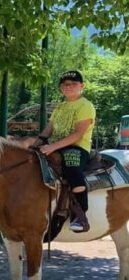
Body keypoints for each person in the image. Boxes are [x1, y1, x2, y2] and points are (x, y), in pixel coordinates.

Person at [36, 70, 96, 232]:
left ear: (82, 86)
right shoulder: (60, 107)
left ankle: (80, 215)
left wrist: (52, 147)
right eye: (64, 84)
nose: (68, 87)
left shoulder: (86, 105)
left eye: (73, 84)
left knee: (72, 170)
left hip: (76, 147)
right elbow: (48, 129)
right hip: (56, 146)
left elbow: (78, 134)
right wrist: (37, 143)